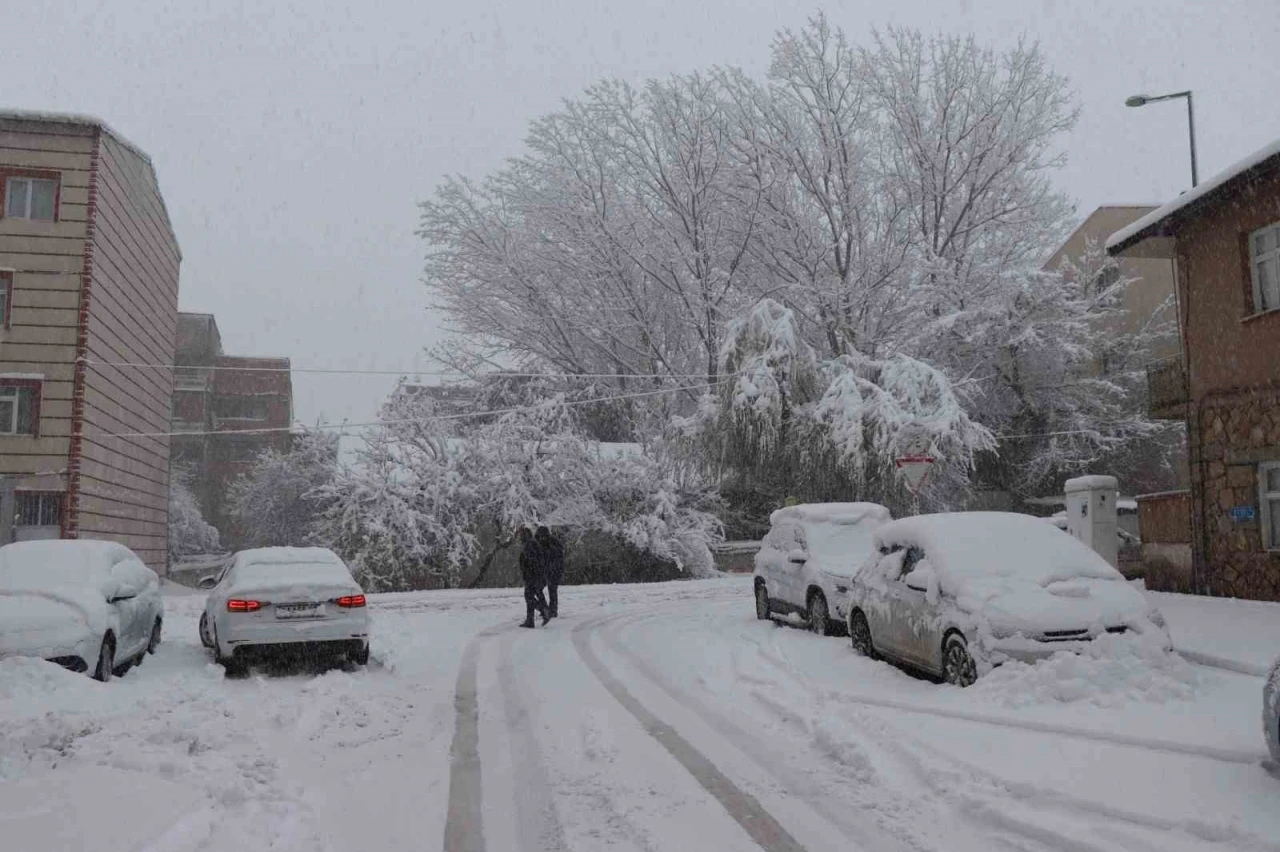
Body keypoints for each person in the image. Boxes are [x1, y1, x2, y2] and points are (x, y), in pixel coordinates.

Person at [517, 527, 549, 628]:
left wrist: (528, 571)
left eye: (521, 535)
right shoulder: (532, 543)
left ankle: (543, 610)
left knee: (528, 596)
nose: (520, 537)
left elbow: (531, 561)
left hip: (532, 576)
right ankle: (531, 620)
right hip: (536, 575)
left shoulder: (529, 545)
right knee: (532, 595)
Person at [535, 526, 564, 618]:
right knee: (537, 588)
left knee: (552, 591)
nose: (542, 539)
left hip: (554, 571)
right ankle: (544, 608)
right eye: (540, 537)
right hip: (543, 571)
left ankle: (553, 610)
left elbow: (558, 558)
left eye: (543, 537)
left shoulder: (554, 544)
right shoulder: (538, 543)